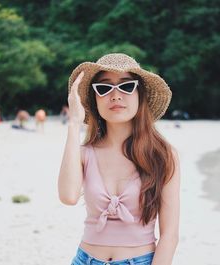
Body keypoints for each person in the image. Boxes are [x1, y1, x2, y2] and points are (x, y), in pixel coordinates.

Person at [58, 53, 180, 265]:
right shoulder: (85, 153)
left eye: (126, 86)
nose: (115, 96)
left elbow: (170, 234)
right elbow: (68, 197)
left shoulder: (162, 155)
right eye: (104, 89)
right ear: (95, 101)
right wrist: (74, 123)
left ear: (140, 94)